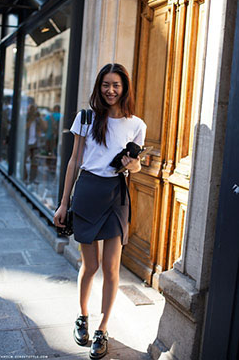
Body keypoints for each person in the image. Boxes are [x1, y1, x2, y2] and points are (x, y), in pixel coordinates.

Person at [53, 63, 147, 359]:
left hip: (116, 196)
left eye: (116, 85)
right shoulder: (86, 117)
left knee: (111, 268)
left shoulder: (137, 125)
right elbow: (74, 161)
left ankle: (103, 329)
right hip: (88, 192)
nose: (110, 90)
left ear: (125, 88)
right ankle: (82, 316)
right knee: (90, 265)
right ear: (99, 87)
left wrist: (133, 164)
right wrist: (64, 202)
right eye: (106, 84)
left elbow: (137, 165)